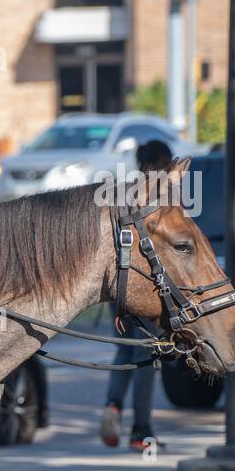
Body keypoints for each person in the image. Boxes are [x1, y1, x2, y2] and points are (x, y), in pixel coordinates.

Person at [100, 139, 175, 451]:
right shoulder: (156, 198)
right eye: (166, 167)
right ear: (151, 167)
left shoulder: (120, 196)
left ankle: (113, 406)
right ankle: (141, 431)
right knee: (148, 357)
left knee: (124, 351)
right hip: (145, 287)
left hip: (118, 285)